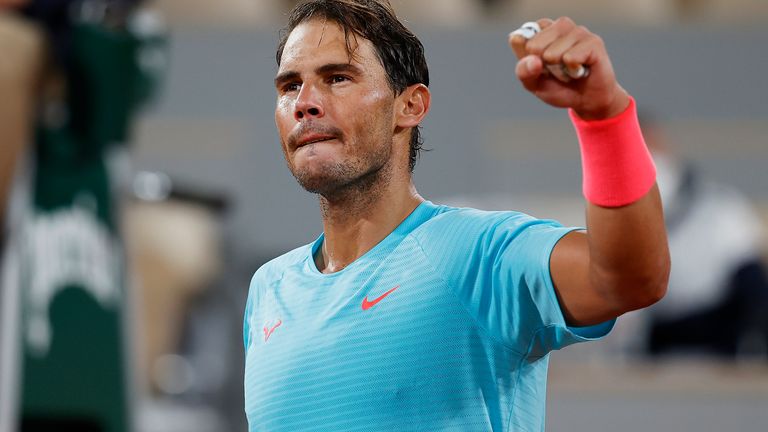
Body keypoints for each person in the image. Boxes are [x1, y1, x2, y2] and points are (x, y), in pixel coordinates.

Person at [243, 1, 670, 430]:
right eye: (289, 86)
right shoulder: (267, 288)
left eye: (337, 78)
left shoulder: (479, 254)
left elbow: (630, 278)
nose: (305, 103)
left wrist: (604, 116)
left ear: (410, 106)